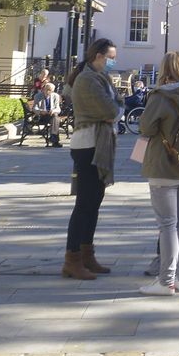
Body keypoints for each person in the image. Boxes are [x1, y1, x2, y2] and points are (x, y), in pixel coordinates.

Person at [137, 52, 179, 297]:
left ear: (164, 68)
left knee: (167, 225)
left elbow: (145, 127)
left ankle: (166, 281)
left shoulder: (160, 96)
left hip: (164, 164)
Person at [63, 38, 121, 281]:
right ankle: (72, 258)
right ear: (98, 55)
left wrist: (115, 110)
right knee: (84, 205)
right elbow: (110, 110)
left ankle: (87, 254)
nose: (113, 61)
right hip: (88, 144)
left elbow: (118, 105)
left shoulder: (100, 78)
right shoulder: (87, 79)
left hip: (98, 143)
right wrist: (114, 111)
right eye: (111, 57)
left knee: (93, 203)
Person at [32, 79, 64, 148]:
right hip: (42, 116)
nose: (48, 91)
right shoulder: (38, 96)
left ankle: (53, 139)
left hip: (51, 115)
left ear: (53, 91)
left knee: (55, 116)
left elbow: (58, 108)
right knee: (56, 119)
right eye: (46, 89)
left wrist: (54, 110)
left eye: (50, 90)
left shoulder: (56, 96)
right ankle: (55, 141)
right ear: (43, 89)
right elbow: (34, 108)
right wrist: (40, 111)